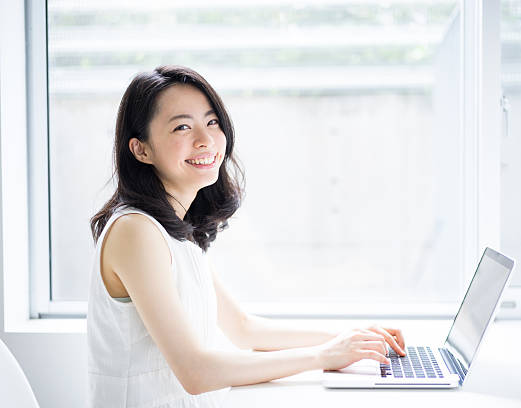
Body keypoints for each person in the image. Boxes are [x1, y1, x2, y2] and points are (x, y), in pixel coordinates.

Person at [88, 65, 406, 407]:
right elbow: (195, 372)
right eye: (182, 126)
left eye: (212, 122)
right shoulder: (135, 232)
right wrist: (323, 356)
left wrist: (353, 340)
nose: (205, 139)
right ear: (141, 149)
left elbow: (244, 329)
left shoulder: (174, 231)